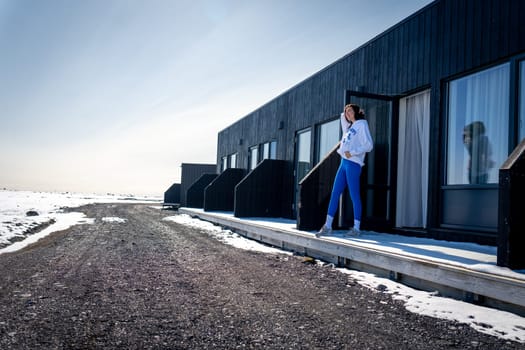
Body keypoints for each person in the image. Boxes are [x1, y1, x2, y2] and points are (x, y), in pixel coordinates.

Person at [316, 104, 373, 238]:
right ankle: (328, 226)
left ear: (357, 112)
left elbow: (369, 145)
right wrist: (347, 112)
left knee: (354, 195)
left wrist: (352, 152)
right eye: (346, 112)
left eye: (350, 111)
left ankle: (356, 228)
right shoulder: (348, 127)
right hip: (343, 163)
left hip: (353, 163)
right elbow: (342, 116)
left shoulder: (362, 124)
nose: (347, 114)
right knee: (335, 193)